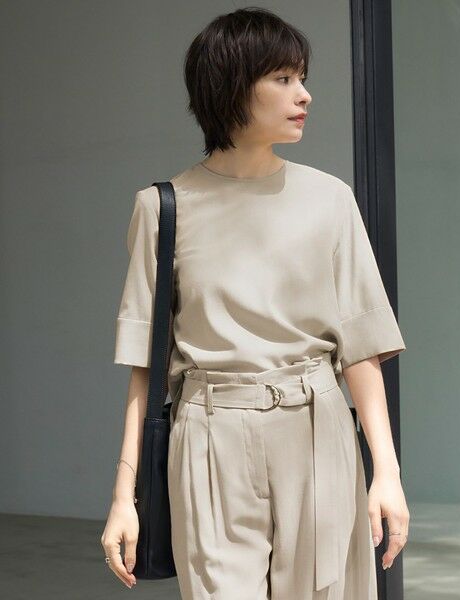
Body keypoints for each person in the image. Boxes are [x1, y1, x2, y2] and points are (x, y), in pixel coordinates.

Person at [100, 7, 410, 599]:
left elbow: (361, 348)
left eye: (302, 78)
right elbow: (145, 364)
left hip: (316, 429)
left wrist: (387, 474)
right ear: (232, 85)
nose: (304, 95)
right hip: (209, 435)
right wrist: (124, 496)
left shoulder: (330, 199)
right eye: (284, 78)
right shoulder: (163, 208)